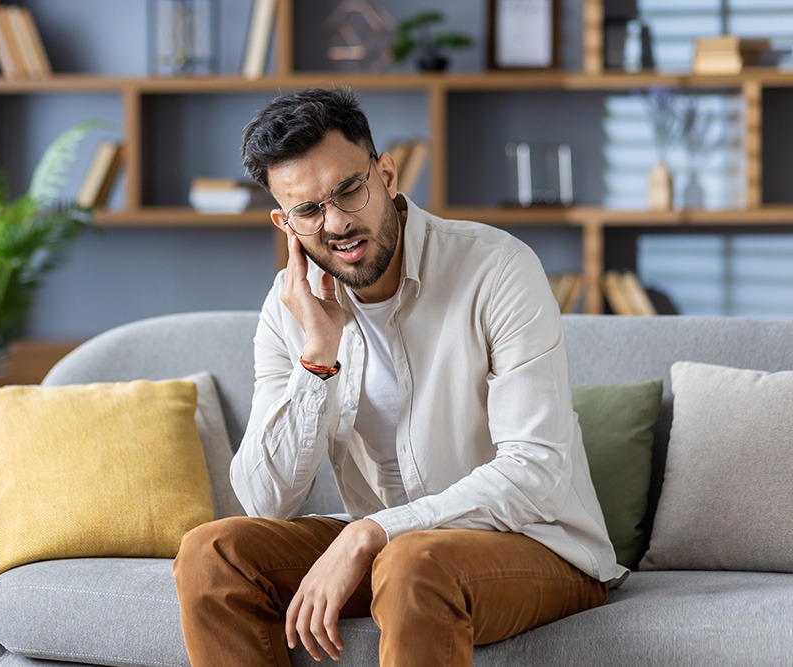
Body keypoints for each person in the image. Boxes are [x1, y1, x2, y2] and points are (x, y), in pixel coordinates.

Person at [173, 87, 627, 666]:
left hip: (537, 546)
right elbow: (264, 501)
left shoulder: (497, 269)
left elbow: (534, 469)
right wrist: (319, 350)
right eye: (309, 211)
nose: (336, 223)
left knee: (413, 561)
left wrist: (373, 532)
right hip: (390, 552)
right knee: (213, 554)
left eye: (348, 190)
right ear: (284, 222)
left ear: (386, 173)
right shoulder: (291, 311)